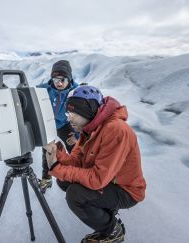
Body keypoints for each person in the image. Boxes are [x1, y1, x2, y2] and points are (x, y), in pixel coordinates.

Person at [43, 85, 146, 243]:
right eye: (68, 113)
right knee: (64, 181)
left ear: (88, 111)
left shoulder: (116, 130)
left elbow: (98, 179)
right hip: (107, 180)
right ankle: (105, 211)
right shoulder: (89, 128)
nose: (69, 118)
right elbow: (76, 162)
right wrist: (58, 152)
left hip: (125, 190)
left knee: (75, 195)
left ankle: (112, 231)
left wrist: (57, 168)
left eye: (74, 113)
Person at [37, 60, 79, 193]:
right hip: (48, 124)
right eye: (55, 80)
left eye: (63, 80)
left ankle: (76, 174)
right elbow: (28, 94)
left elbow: (82, 115)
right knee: (48, 151)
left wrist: (77, 134)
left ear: (69, 79)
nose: (59, 83)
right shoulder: (44, 89)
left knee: (74, 148)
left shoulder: (76, 91)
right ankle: (46, 179)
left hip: (64, 124)